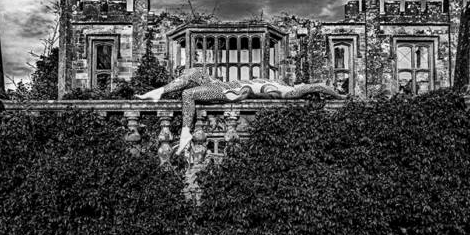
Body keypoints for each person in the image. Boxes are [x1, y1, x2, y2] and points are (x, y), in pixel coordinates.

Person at [136, 68, 345, 153]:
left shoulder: (290, 92)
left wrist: (341, 97)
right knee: (195, 72)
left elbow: (317, 87)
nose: (300, 82)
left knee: (187, 94)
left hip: (230, 91)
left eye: (301, 84)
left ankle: (185, 131)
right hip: (227, 86)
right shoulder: (281, 86)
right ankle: (159, 91)